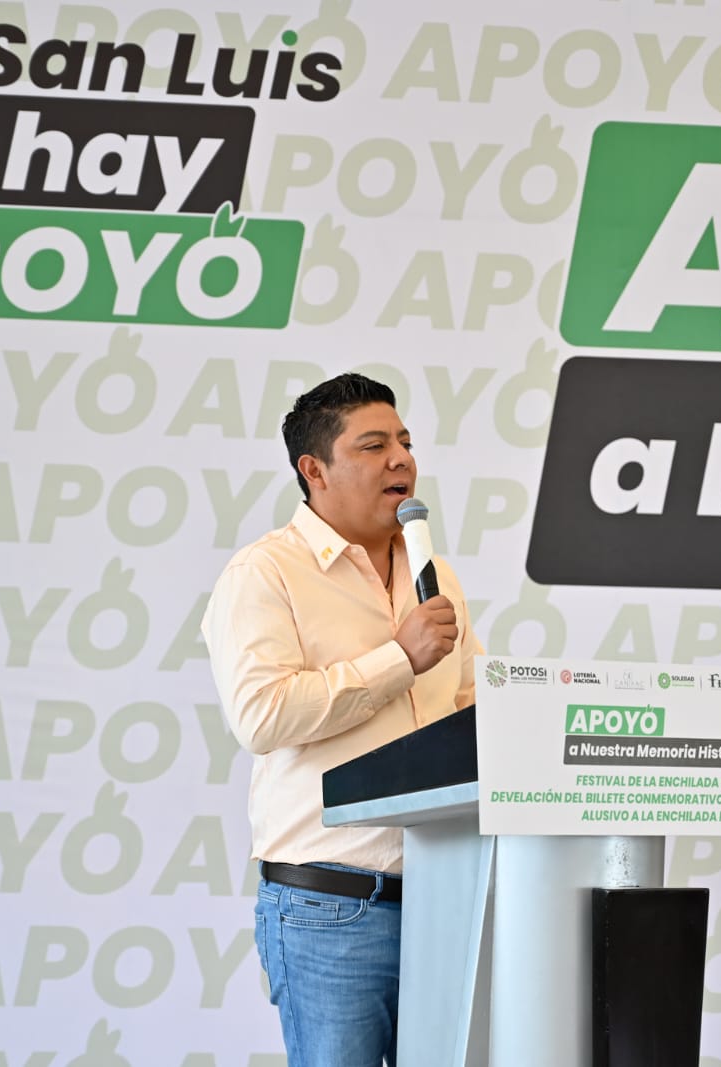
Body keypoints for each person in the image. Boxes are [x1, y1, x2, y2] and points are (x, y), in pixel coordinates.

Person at [202, 373, 480, 1067]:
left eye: (405, 442)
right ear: (315, 469)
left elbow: (468, 711)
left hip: (446, 898)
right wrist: (398, 659)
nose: (401, 459)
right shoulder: (266, 573)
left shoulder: (435, 573)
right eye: (374, 445)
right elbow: (262, 715)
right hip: (332, 909)